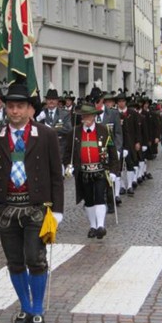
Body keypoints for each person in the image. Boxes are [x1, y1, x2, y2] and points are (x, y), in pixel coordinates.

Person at [0, 81, 64, 323]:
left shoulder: (45, 135)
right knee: (14, 261)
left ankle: (37, 310)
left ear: (29, 109)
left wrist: (58, 209)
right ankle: (25, 306)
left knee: (35, 259)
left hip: (36, 207)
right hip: (6, 207)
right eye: (11, 106)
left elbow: (55, 175)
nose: (15, 111)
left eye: (20, 106)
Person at [63, 102, 119, 239]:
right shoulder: (74, 132)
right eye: (83, 116)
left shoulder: (104, 131)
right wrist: (68, 165)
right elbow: (68, 153)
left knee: (100, 196)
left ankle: (101, 226)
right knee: (88, 200)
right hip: (83, 172)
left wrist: (113, 171)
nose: (85, 119)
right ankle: (93, 226)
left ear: (94, 116)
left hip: (100, 170)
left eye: (88, 116)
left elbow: (112, 153)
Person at [36, 86, 73, 159]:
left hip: (60, 149)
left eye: (53, 99)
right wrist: (37, 119)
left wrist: (52, 128)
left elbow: (68, 128)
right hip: (44, 149)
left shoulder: (64, 114)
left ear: (57, 101)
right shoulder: (41, 113)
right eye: (49, 99)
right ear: (46, 101)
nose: (51, 101)